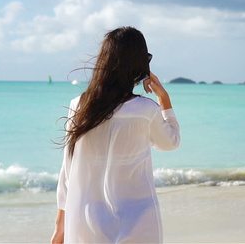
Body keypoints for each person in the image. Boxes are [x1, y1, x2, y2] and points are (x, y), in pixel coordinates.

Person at [51, 26, 181, 244]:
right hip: (138, 222)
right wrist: (164, 99)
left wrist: (60, 226)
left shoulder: (79, 105)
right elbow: (171, 142)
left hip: (86, 223)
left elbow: (67, 171)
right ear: (139, 64)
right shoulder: (145, 110)